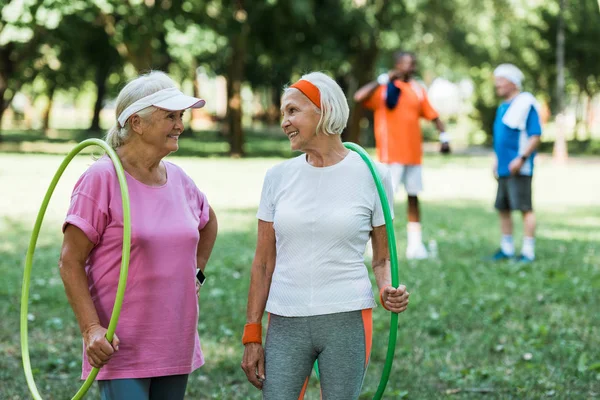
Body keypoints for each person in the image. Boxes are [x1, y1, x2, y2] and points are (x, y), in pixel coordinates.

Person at [240, 72, 410, 400]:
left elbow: (382, 257)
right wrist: (252, 334)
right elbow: (262, 264)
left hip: (347, 316)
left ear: (324, 110)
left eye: (292, 111)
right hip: (285, 318)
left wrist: (388, 288)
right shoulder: (277, 177)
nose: (284, 122)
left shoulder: (375, 175)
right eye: (283, 114)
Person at [59, 71, 218, 399]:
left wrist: (196, 275)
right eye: (170, 116)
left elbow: (208, 223)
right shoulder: (101, 179)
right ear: (136, 123)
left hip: (175, 341)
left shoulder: (179, 178)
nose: (180, 125)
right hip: (121, 347)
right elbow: (70, 261)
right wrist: (91, 329)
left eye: (181, 116)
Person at [354, 51, 449, 260]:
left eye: (414, 63)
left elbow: (433, 115)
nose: (412, 67)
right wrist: (383, 79)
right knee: (384, 202)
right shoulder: (384, 89)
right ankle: (375, 245)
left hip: (413, 155)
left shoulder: (417, 89)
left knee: (414, 198)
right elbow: (359, 97)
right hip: (391, 155)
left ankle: (415, 246)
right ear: (397, 65)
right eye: (408, 63)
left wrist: (444, 137)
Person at [489, 63, 542, 263]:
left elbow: (535, 135)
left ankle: (528, 251)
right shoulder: (503, 107)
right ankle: (507, 248)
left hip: (520, 168)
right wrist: (496, 160)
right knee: (503, 208)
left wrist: (521, 158)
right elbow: (500, 139)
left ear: (512, 82)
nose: (497, 86)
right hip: (503, 168)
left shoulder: (526, 104)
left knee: (525, 208)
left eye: (500, 81)